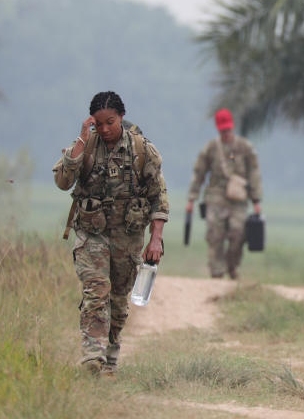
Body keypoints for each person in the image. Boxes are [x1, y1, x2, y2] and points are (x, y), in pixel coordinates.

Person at [53, 91, 169, 375]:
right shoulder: (87, 145)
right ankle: (93, 356)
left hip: (127, 238)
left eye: (111, 122)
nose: (105, 129)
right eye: (99, 124)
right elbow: (62, 181)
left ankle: (111, 357)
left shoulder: (142, 150)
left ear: (121, 118)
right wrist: (82, 138)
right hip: (91, 234)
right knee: (96, 291)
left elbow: (159, 197)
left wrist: (156, 240)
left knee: (117, 301)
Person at [186, 108, 262, 279]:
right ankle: (217, 273)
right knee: (215, 236)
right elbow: (199, 173)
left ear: (232, 127)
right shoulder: (211, 148)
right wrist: (192, 198)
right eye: (223, 130)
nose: (226, 133)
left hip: (239, 198)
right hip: (216, 196)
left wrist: (256, 200)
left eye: (228, 129)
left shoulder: (245, 147)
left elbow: (254, 173)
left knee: (238, 234)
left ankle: (232, 267)